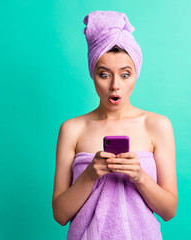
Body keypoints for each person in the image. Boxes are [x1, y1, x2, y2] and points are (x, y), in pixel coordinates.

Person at [52, 10, 178, 240]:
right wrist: (90, 174)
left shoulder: (157, 125)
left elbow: (169, 211)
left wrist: (139, 175)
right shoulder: (72, 129)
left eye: (125, 74)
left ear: (136, 74)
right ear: (93, 74)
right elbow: (60, 215)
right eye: (104, 74)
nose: (115, 86)